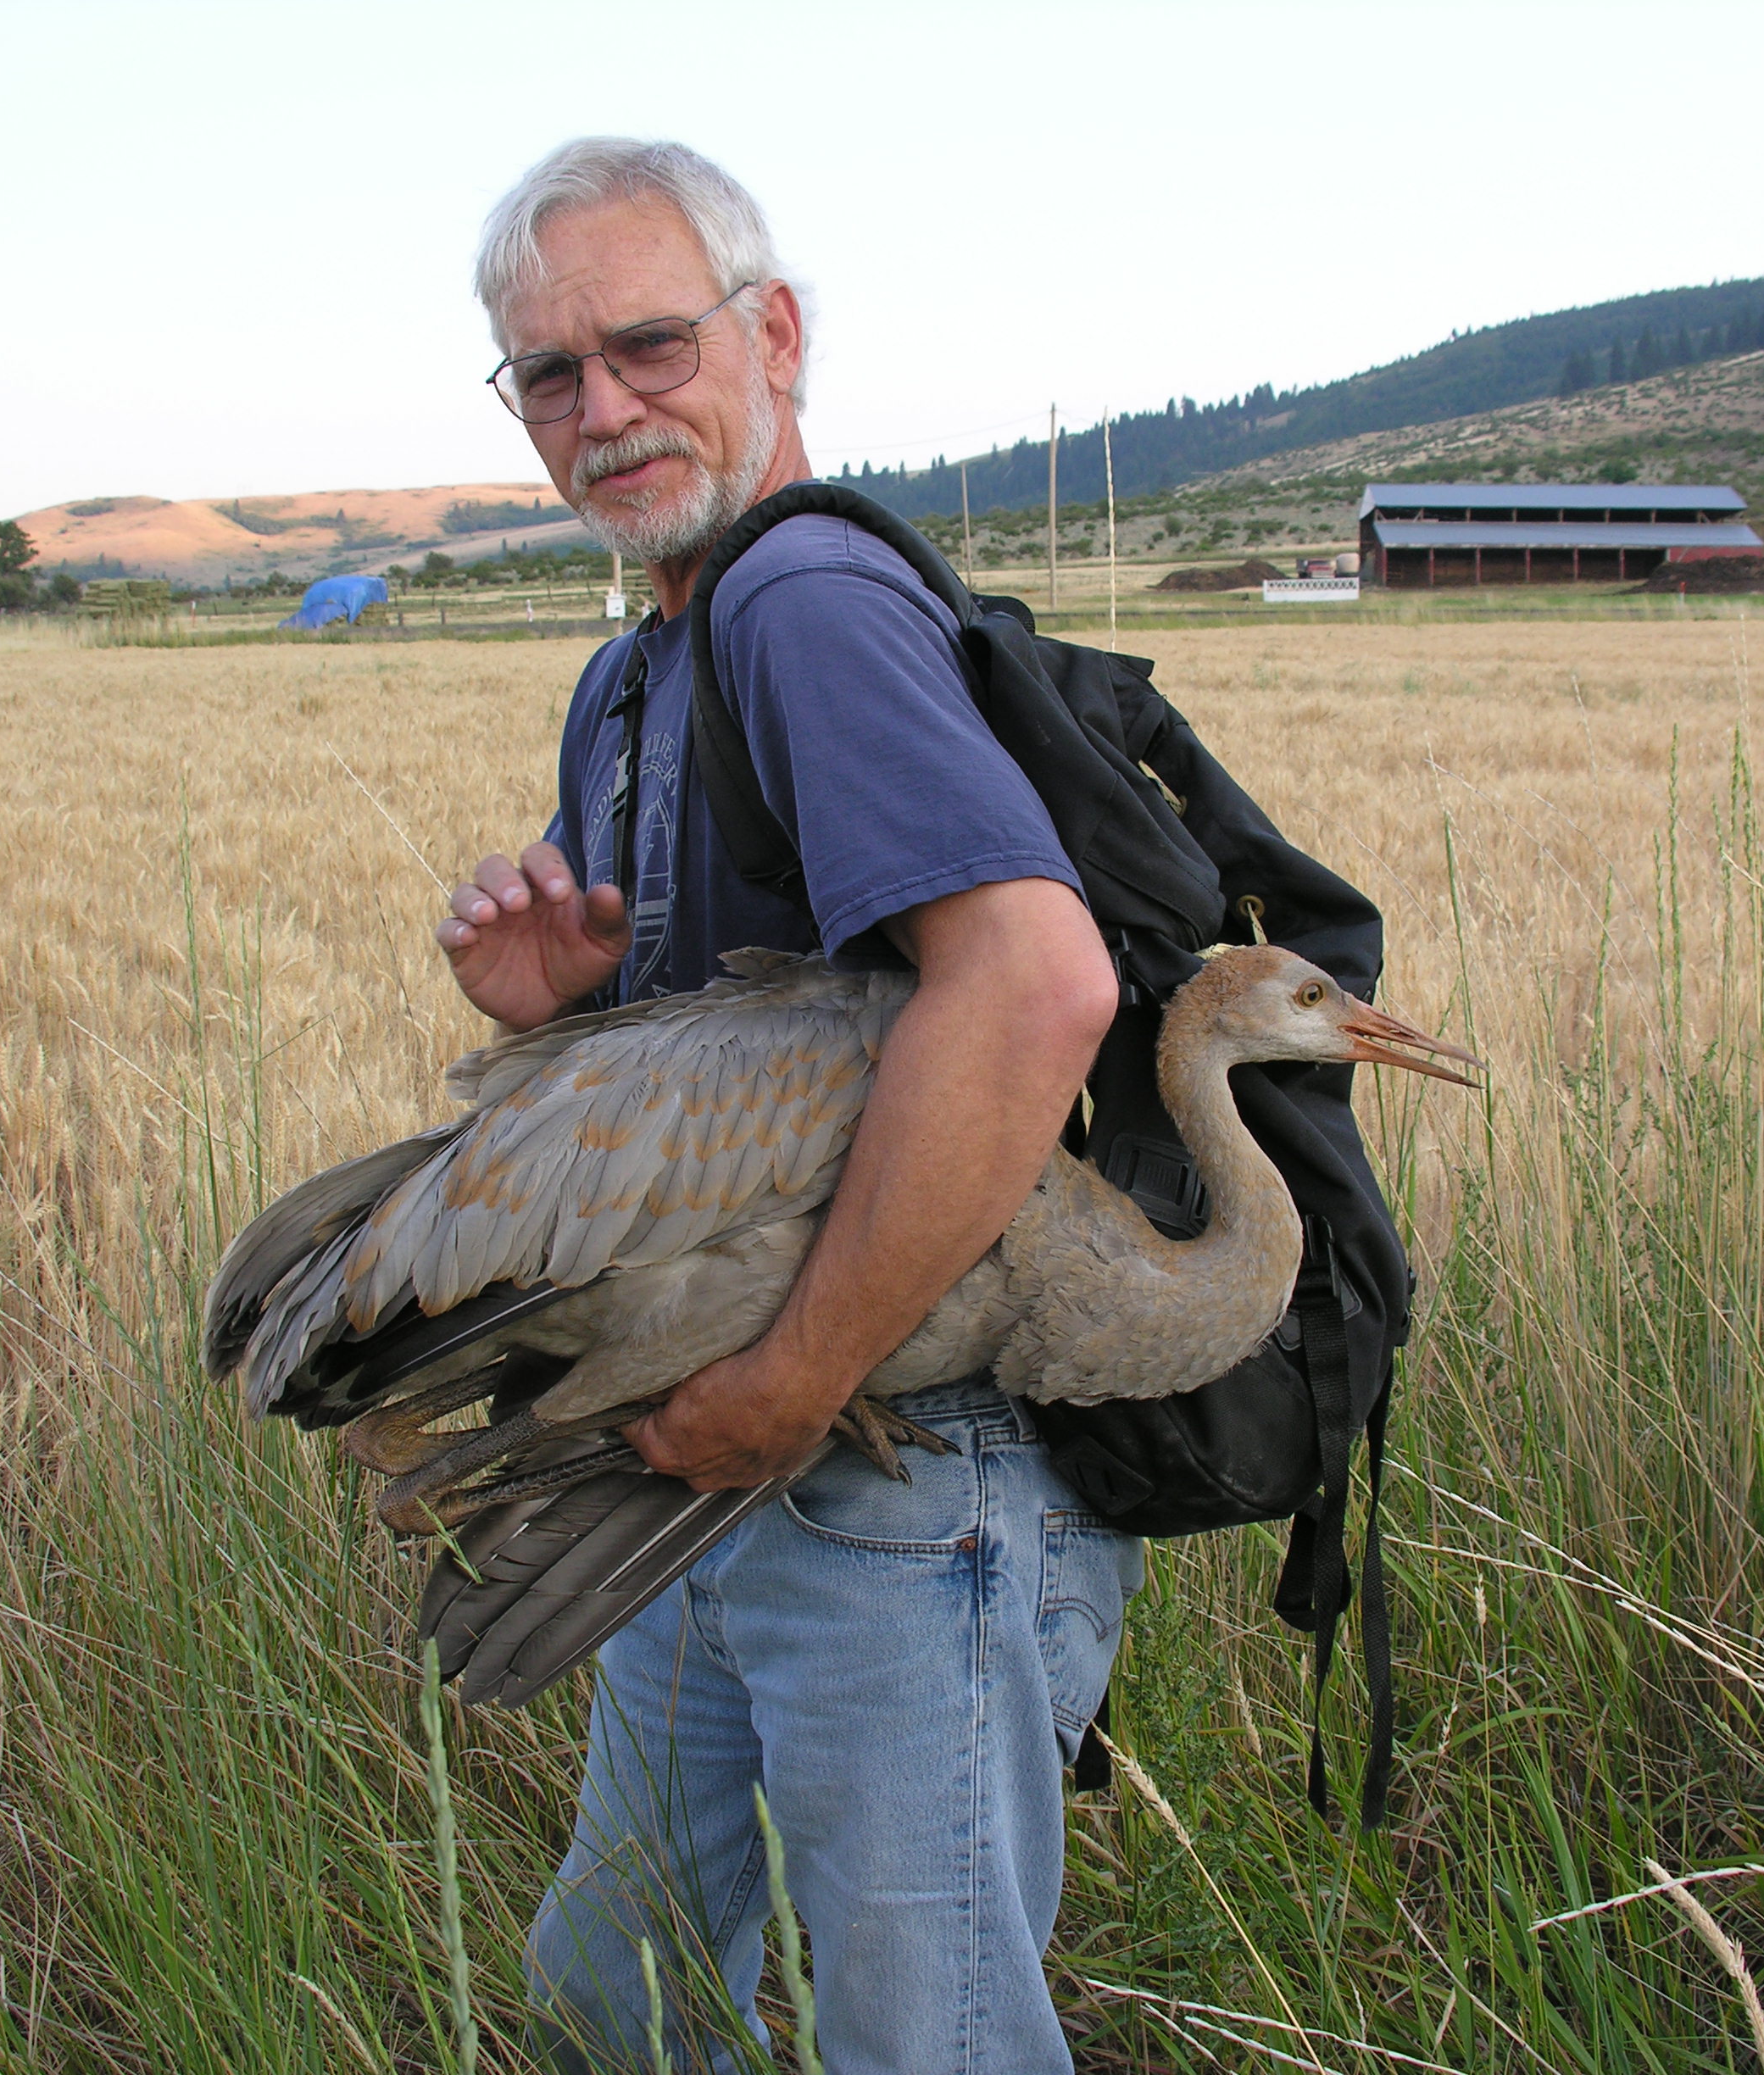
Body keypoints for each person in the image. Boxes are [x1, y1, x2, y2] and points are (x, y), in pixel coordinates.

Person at [437, 137, 1139, 2072]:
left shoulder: (804, 600)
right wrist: (563, 1012)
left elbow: (1033, 984)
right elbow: (730, 1084)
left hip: (906, 1472)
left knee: (931, 2044)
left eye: (648, 343)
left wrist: (797, 1379)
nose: (606, 410)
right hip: (727, 1447)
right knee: (616, 1987)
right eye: (549, 378)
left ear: (777, 332)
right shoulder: (635, 665)